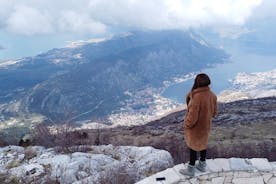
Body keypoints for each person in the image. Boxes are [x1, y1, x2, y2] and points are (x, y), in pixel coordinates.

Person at [180, 73, 217, 176]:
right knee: (202, 144)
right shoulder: (212, 95)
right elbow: (214, 112)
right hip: (205, 126)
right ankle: (202, 165)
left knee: (193, 147)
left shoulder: (196, 98)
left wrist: (187, 125)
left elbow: (192, 118)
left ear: (197, 82)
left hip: (195, 128)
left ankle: (191, 169)